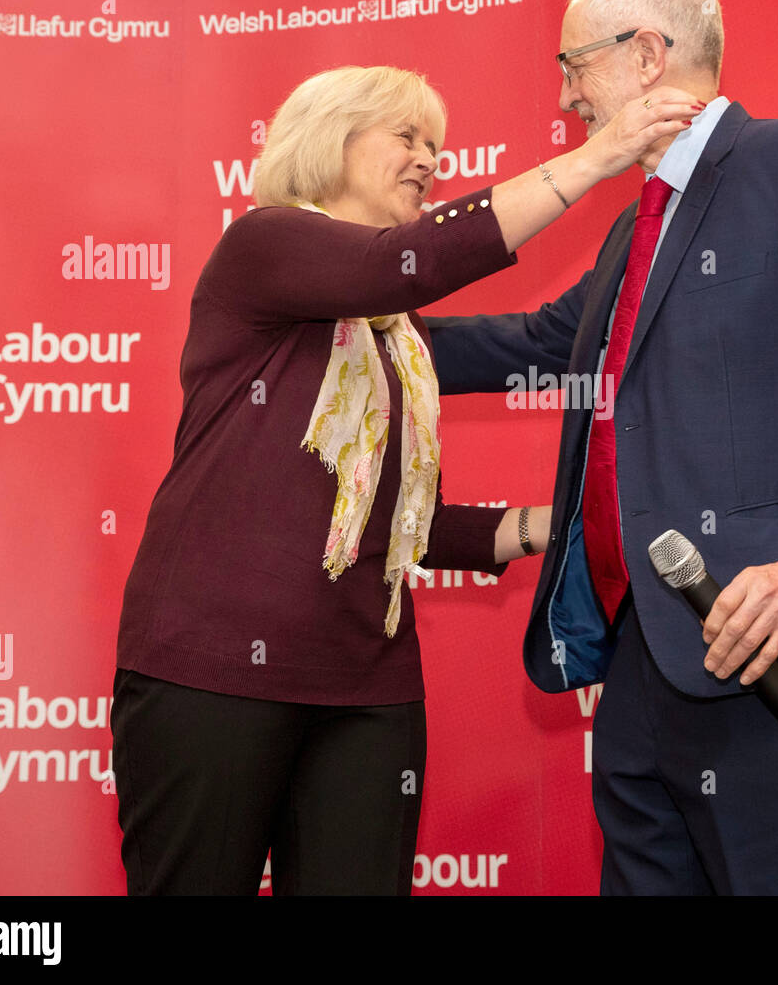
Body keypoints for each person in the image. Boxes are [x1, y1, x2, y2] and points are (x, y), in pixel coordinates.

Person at [426, 0, 778, 895]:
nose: (564, 98)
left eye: (573, 65)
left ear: (645, 54)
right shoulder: (639, 225)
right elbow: (537, 343)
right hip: (643, 662)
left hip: (776, 652)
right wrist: (354, 330)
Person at [110, 64, 702, 895]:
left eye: (438, 145)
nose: (430, 159)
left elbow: (400, 521)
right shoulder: (264, 244)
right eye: (408, 137)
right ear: (331, 141)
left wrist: (557, 523)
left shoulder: (398, 334)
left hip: (368, 683)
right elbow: (407, 263)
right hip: (214, 672)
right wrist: (600, 155)